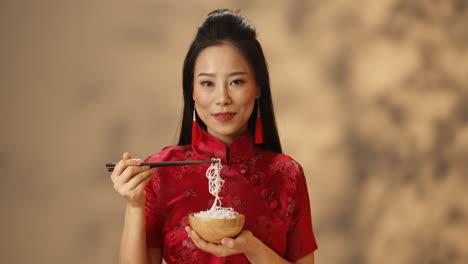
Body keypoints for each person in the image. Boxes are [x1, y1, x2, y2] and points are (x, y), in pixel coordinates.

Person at [110, 9, 318, 264]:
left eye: (236, 82)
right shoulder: (161, 173)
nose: (222, 98)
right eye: (208, 83)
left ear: (258, 88)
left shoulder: (287, 173)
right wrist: (134, 206)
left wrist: (252, 247)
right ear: (192, 92)